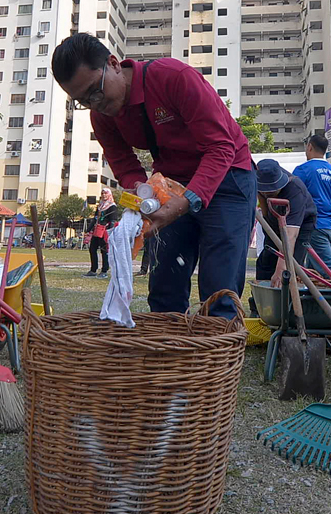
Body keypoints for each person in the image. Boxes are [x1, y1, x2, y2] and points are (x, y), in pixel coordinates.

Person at [52, 33, 255, 319]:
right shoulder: (102, 115)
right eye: (82, 100)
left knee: (219, 286)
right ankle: (168, 353)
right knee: (165, 284)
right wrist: (141, 189)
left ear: (113, 63)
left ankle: (218, 355)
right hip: (170, 185)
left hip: (227, 176)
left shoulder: (173, 78)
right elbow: (123, 161)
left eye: (95, 91)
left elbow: (221, 146)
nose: (94, 104)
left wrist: (187, 200)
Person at [292, 133, 331, 280]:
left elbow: (293, 198)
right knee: (315, 274)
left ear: (310, 147)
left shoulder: (303, 170)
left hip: (314, 228)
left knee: (329, 271)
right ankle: (314, 302)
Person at [254, 159, 317, 287]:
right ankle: (262, 301)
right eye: (264, 190)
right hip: (275, 217)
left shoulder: (295, 189)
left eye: (271, 191)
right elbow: (262, 199)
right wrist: (268, 222)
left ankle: (291, 302)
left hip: (301, 224)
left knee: (291, 266)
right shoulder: (257, 177)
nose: (266, 193)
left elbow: (290, 236)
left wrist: (281, 270)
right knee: (265, 261)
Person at [85, 188, 120, 277]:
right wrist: (88, 229)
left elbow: (113, 220)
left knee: (104, 250)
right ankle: (93, 270)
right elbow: (95, 218)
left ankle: (104, 270)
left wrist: (109, 232)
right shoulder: (100, 206)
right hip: (97, 230)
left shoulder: (112, 206)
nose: (104, 195)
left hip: (104, 231)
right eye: (102, 193)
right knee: (92, 249)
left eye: (105, 193)